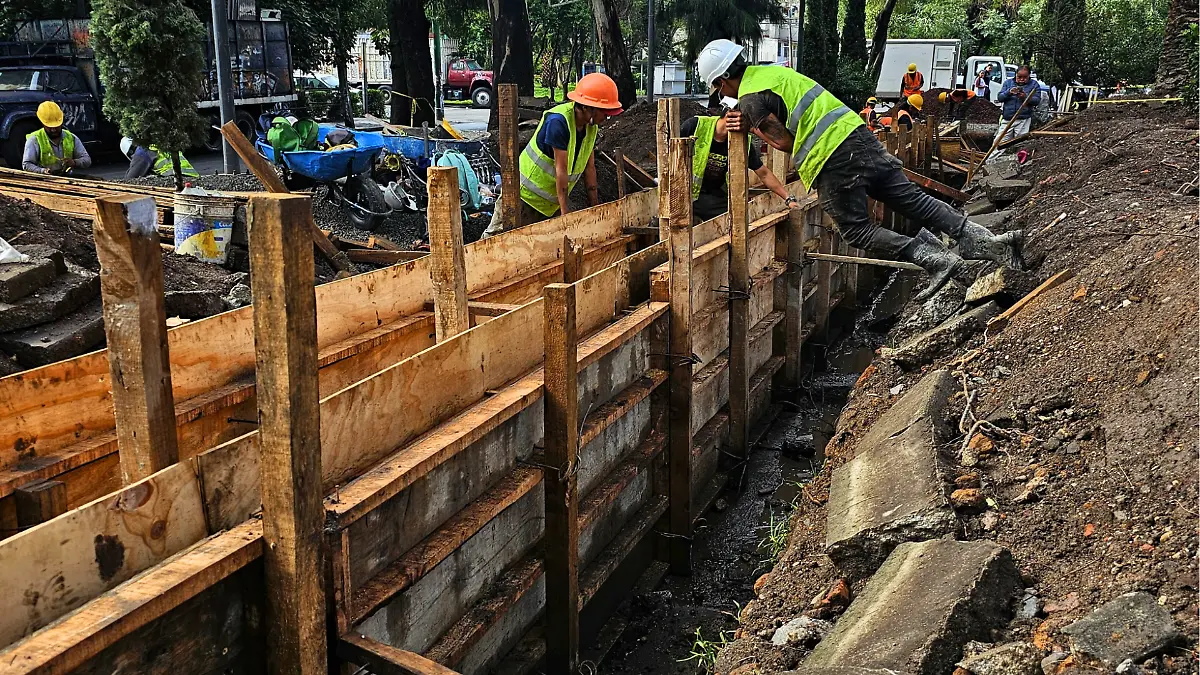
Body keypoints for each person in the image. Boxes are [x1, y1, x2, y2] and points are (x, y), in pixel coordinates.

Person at [695, 38, 1025, 300]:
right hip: (859, 136)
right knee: (913, 200)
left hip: (833, 158)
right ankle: (986, 241)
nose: (721, 94)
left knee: (855, 230)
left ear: (724, 79)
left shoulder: (751, 98)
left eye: (718, 87)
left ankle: (938, 260)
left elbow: (784, 144)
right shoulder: (773, 73)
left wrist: (751, 126)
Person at [484, 72, 621, 237]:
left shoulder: (591, 128)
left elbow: (589, 168)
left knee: (536, 251)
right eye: (604, 112)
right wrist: (565, 214)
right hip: (522, 196)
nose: (607, 117)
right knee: (496, 241)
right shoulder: (558, 122)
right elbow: (560, 170)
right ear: (587, 107)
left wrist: (595, 207)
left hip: (548, 204)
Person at [681, 111, 799, 222]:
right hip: (684, 195)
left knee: (735, 220)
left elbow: (764, 173)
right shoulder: (695, 126)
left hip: (714, 198)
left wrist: (788, 199)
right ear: (730, 114)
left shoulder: (742, 142)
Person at [22, 101, 91, 175]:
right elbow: (27, 164)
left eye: (56, 126)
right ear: (43, 123)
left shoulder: (71, 137)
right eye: (50, 127)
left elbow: (87, 160)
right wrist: (42, 171)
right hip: (44, 180)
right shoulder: (34, 140)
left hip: (66, 178)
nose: (53, 130)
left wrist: (74, 162)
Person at [988, 65, 1041, 162]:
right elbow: (1000, 97)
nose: (1021, 80)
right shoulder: (1008, 83)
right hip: (1007, 119)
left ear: (1029, 76)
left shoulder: (1034, 85)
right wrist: (1009, 92)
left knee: (1021, 144)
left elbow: (1037, 100)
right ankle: (989, 162)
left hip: (1023, 119)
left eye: (1024, 77)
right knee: (998, 142)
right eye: (1019, 77)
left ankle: (1019, 164)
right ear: (1015, 75)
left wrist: (1025, 97)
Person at [121, 137, 199, 180]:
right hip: (193, 178)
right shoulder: (158, 145)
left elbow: (130, 179)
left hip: (177, 179)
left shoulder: (142, 151)